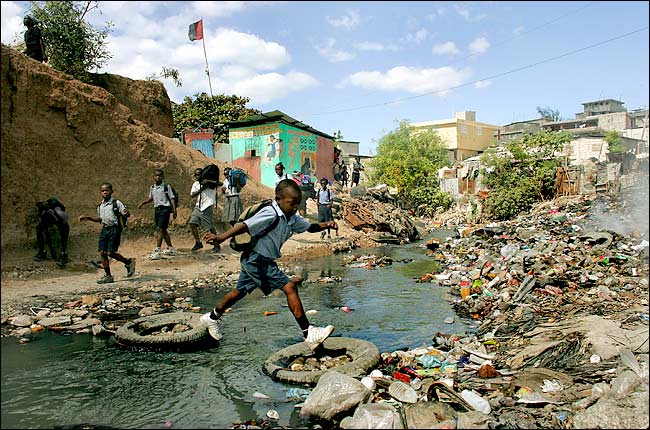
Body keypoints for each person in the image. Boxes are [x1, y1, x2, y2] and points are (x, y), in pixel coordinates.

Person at [200, 179, 338, 348]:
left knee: (239, 292)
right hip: (257, 259)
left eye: (297, 204)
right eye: (291, 203)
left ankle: (211, 317)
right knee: (289, 287)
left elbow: (310, 228)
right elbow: (244, 226)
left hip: (259, 260)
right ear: (278, 199)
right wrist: (221, 237)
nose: (295, 207)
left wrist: (326, 224)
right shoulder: (270, 213)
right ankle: (308, 332)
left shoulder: (292, 218)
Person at [79, 182, 136, 284]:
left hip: (115, 229)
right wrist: (88, 218)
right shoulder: (100, 206)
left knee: (110, 252)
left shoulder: (116, 203)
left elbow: (126, 213)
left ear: (111, 192)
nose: (105, 192)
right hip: (105, 229)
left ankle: (128, 262)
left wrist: (127, 214)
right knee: (102, 252)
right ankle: (108, 275)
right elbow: (100, 219)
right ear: (100, 192)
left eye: (107, 190)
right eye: (103, 191)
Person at [137, 169, 177, 260]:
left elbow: (172, 198)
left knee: (159, 229)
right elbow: (151, 198)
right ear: (153, 177)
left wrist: (174, 210)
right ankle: (170, 248)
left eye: (160, 175)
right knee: (163, 230)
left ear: (163, 177)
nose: (158, 177)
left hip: (165, 210)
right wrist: (143, 203)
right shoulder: (152, 187)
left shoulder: (166, 187)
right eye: (156, 175)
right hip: (157, 210)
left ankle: (158, 250)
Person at [189, 167, 219, 252]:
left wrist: (208, 182)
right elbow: (192, 195)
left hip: (207, 206)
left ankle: (216, 244)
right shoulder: (196, 184)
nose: (197, 176)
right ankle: (198, 242)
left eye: (198, 174)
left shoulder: (210, 183)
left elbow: (219, 183)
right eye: (195, 175)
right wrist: (202, 189)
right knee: (192, 223)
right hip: (198, 206)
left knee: (209, 227)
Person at [33, 197, 69, 267]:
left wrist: (62, 250)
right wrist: (51, 249)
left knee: (64, 233)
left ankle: (63, 254)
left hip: (58, 217)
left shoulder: (60, 215)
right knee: (39, 229)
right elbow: (46, 233)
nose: (50, 226)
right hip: (48, 215)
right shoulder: (44, 217)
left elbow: (66, 230)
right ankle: (42, 252)